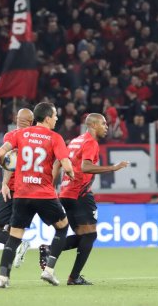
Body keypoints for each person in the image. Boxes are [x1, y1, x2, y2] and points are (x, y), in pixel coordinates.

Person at [39, 113, 129, 285]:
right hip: (80, 194)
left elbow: (59, 162)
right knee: (90, 235)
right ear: (93, 125)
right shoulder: (90, 142)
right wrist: (113, 167)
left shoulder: (75, 141)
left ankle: (51, 250)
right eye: (103, 124)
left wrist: (51, 183)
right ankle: (74, 277)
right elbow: (85, 167)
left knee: (83, 236)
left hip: (65, 192)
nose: (106, 127)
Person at [0, 102, 75, 288]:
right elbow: (67, 166)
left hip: (22, 194)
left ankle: (2, 277)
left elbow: (0, 153)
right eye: (54, 116)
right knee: (62, 227)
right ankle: (49, 271)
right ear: (47, 118)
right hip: (44, 194)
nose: (56, 119)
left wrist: (7, 165)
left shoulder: (19, 134)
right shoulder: (55, 137)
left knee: (14, 236)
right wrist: (71, 173)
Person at [0, 108, 34, 269]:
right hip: (31, 190)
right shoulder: (38, 139)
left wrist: (5, 183)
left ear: (16, 119)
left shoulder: (12, 135)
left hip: (13, 188)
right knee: (12, 228)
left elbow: (7, 158)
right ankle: (5, 272)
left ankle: (19, 246)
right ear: (32, 121)